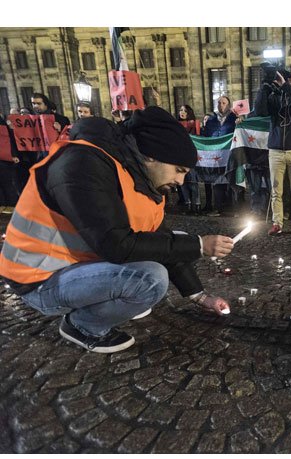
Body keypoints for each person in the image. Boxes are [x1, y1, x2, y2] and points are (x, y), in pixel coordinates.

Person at [0, 106, 235, 353]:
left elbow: (162, 240)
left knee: (175, 244)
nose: (180, 182)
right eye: (179, 170)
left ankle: (107, 301)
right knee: (151, 280)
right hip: (38, 279)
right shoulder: (82, 164)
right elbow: (115, 244)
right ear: (152, 155)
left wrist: (201, 297)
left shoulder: (139, 178)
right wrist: (199, 245)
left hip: (72, 266)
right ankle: (82, 326)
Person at [254, 65, 291, 237]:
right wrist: (264, 87)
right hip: (276, 151)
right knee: (276, 190)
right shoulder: (275, 98)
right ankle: (277, 223)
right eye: (289, 75)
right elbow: (259, 110)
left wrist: (285, 86)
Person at [201, 96, 237, 216]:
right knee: (217, 181)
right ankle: (218, 208)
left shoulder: (234, 118)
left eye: (223, 103)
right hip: (215, 156)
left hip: (229, 154)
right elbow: (206, 136)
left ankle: (232, 208)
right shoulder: (211, 120)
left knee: (231, 181)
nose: (221, 105)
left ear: (228, 105)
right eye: (219, 103)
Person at [176, 104, 201, 215]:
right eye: (181, 110)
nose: (182, 112)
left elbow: (199, 139)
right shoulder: (176, 125)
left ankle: (197, 205)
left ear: (189, 112)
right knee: (182, 182)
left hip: (191, 158)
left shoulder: (194, 125)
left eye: (185, 111)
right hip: (179, 158)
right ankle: (188, 204)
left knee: (193, 182)